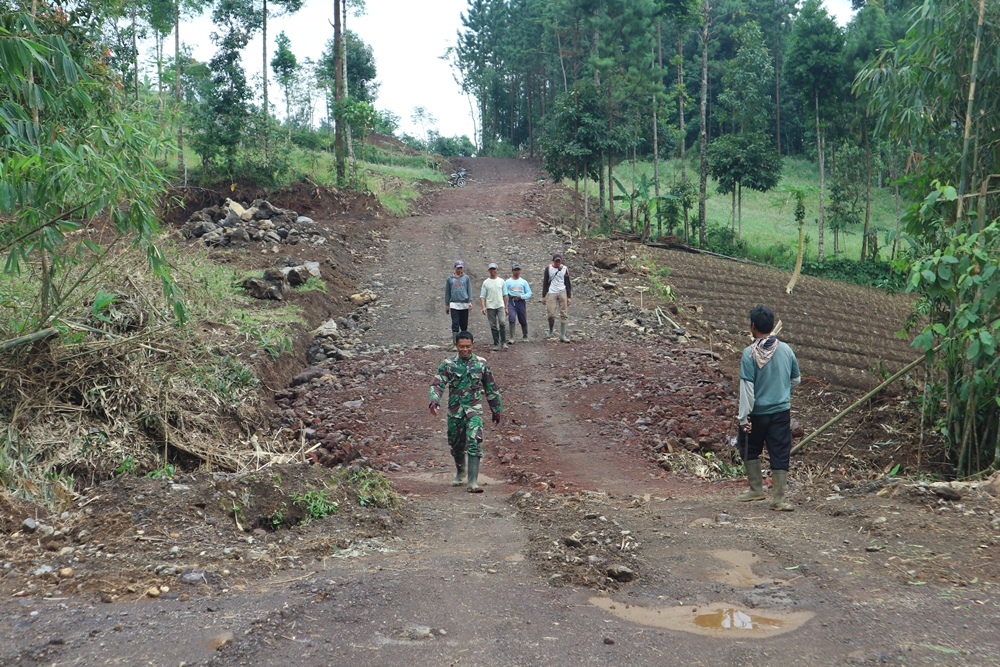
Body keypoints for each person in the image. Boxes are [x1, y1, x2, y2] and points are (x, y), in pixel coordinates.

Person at [737, 305, 801, 511]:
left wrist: (744, 418)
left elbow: (747, 388)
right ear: (772, 325)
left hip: (757, 413)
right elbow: (796, 379)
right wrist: (782, 392)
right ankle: (779, 499)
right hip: (781, 411)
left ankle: (756, 490)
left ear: (752, 326)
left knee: (748, 447)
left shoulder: (749, 354)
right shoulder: (786, 350)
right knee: (780, 451)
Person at [429, 331, 502, 493]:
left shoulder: (481, 364)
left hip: (474, 410)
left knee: (475, 441)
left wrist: (496, 409)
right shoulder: (448, 364)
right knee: (456, 444)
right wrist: (434, 401)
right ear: (456, 346)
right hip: (455, 411)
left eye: (468, 346)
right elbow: (437, 384)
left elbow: (491, 388)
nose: (465, 350)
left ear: (473, 345)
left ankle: (473, 482)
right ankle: (461, 471)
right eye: (461, 347)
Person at [541, 253, 572, 342]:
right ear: (553, 261)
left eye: (559, 261)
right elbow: (545, 282)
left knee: (564, 313)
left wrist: (569, 296)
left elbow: (568, 282)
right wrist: (543, 296)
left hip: (562, 290)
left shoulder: (565, 269)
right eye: (556, 261)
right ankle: (551, 328)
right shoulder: (548, 269)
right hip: (552, 291)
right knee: (551, 314)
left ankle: (563, 335)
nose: (558, 263)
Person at [480, 262, 509, 351]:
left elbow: (505, 294)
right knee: (493, 325)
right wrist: (484, 307)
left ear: (497, 270)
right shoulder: (486, 282)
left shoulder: (501, 281)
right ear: (489, 270)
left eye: (494, 269)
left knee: (502, 322)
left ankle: (503, 342)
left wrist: (506, 307)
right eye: (491, 269)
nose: (493, 271)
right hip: (490, 306)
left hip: (500, 305)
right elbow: (482, 296)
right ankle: (496, 343)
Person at [444, 260, 473, 348]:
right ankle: (455, 344)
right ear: (455, 268)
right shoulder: (450, 279)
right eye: (458, 268)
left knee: (464, 324)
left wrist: (470, 301)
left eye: (461, 267)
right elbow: (447, 292)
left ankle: (464, 342)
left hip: (464, 303)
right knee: (455, 323)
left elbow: (469, 290)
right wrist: (447, 304)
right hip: (454, 303)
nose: (459, 269)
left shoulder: (466, 278)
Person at [504, 263, 532, 344]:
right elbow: (504, 293)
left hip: (521, 302)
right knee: (512, 318)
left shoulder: (523, 282)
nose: (516, 272)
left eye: (518, 270)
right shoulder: (508, 282)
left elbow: (529, 293)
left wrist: (522, 296)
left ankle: (525, 335)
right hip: (511, 301)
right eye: (515, 270)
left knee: (522, 319)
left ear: (520, 271)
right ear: (512, 271)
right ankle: (512, 337)